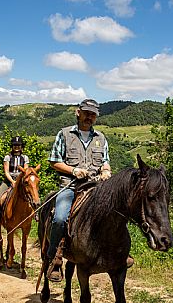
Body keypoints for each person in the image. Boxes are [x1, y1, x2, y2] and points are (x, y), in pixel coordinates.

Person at [46, 98, 113, 282]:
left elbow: (105, 160)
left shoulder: (101, 138)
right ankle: (54, 259)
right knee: (60, 218)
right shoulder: (65, 134)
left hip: (96, 186)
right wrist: (74, 170)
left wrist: (106, 170)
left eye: (93, 114)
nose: (89, 117)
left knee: (117, 213)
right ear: (78, 112)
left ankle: (116, 255)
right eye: (86, 113)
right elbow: (54, 161)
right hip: (71, 185)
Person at [0, 136, 30, 227]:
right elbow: (6, 172)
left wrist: (19, 181)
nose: (17, 147)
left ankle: (35, 214)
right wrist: (13, 182)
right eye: (15, 145)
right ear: (12, 146)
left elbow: (25, 171)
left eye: (18, 145)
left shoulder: (25, 158)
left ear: (21, 146)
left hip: (21, 182)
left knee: (32, 194)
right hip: (9, 181)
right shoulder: (7, 157)